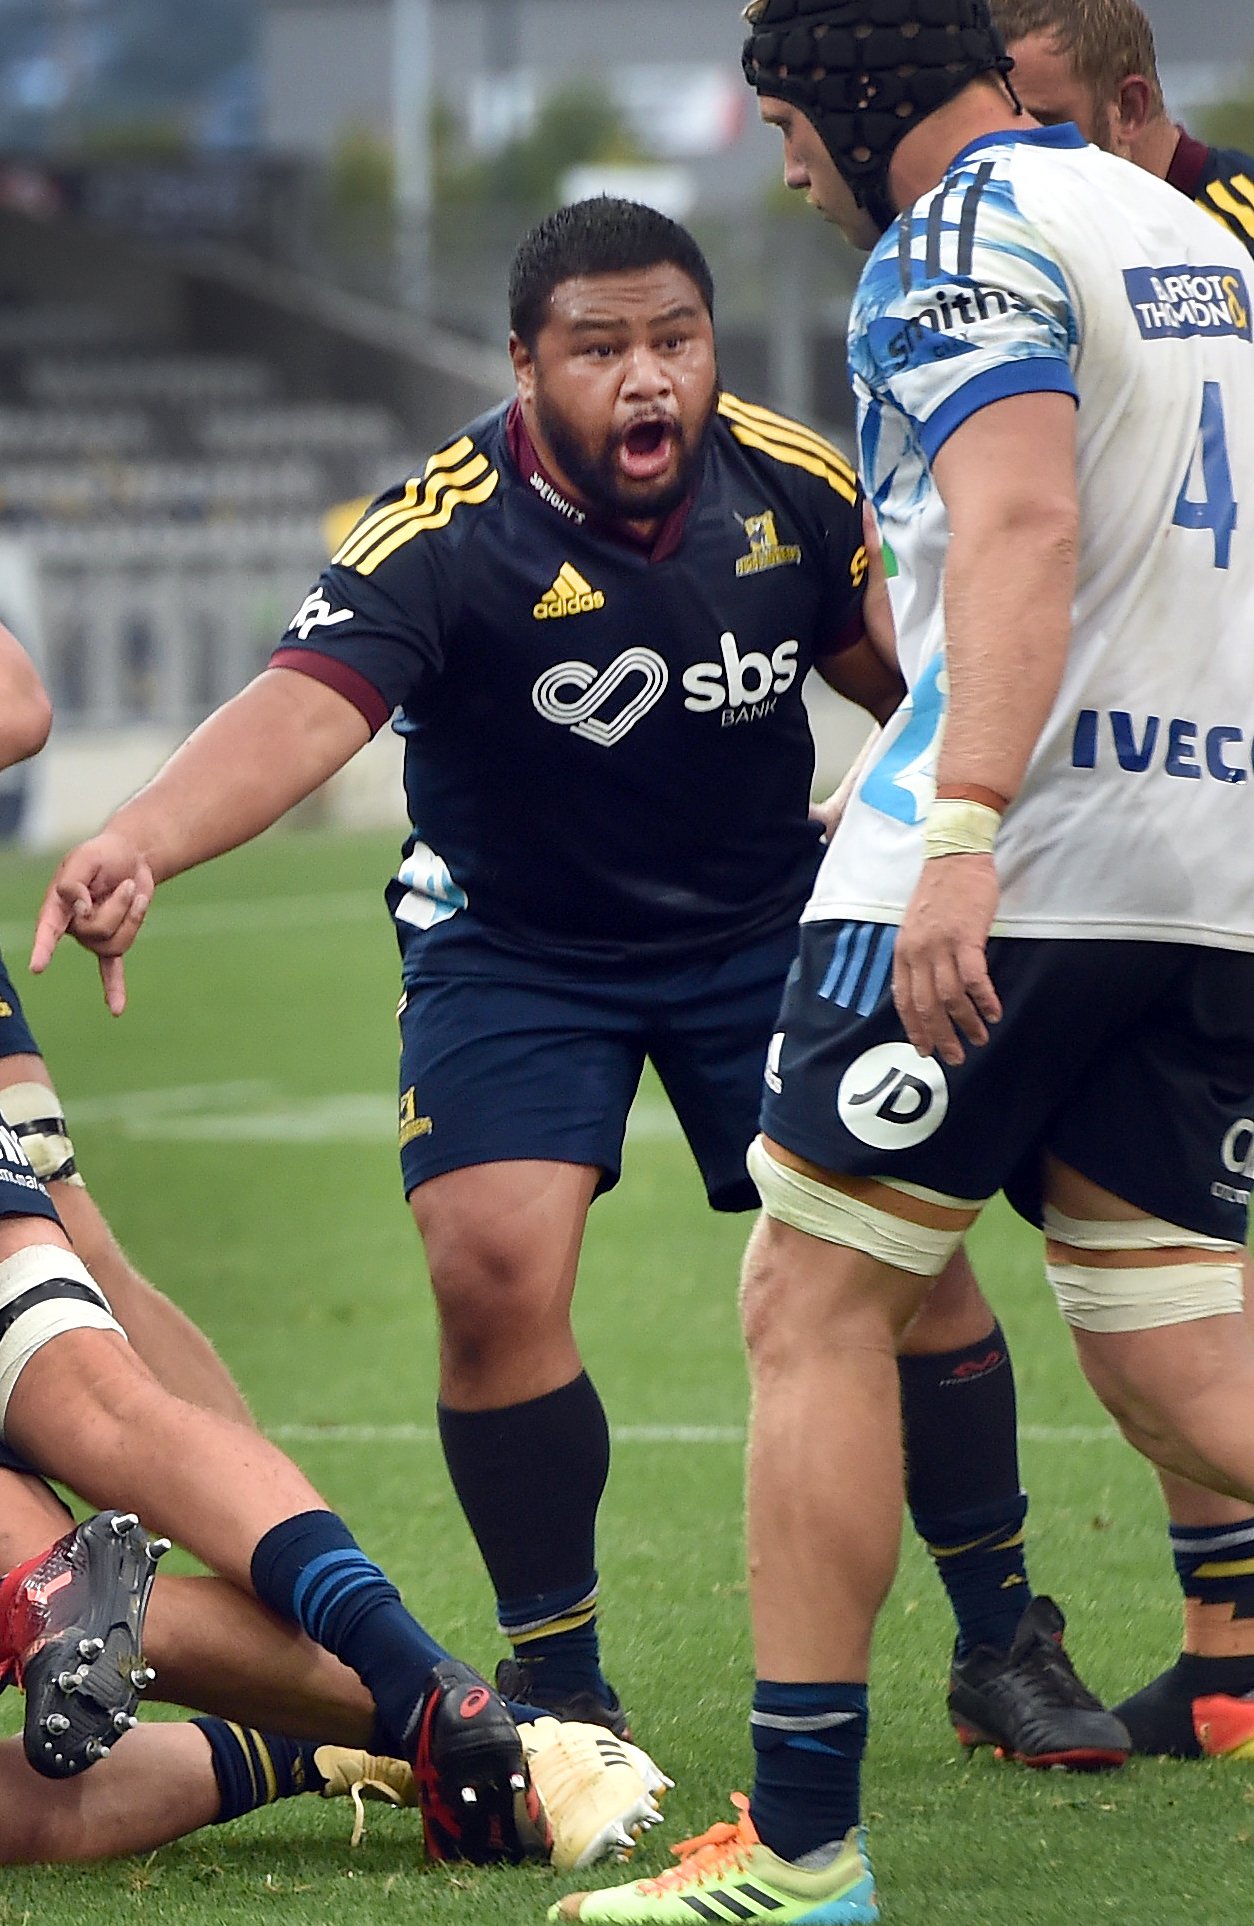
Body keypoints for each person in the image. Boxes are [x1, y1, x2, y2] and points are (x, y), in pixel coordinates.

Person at [28, 196, 1118, 1772]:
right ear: (526, 365)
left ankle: (1002, 1636)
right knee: (489, 1265)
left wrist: (942, 811)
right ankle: (559, 1677)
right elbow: (304, 706)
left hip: (761, 929)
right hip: (513, 943)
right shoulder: (440, 526)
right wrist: (140, 836)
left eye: (673, 339)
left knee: (902, 1258)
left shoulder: (793, 486)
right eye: (600, 349)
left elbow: (937, 671)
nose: (648, 379)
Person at [548, 0, 1254, 1918]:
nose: (782, 167)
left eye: (785, 122)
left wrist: (958, 830)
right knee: (1184, 1358)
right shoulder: (1178, 223)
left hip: (1005, 856)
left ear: (856, 103)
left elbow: (1019, 525)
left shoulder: (950, 239)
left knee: (812, 1301)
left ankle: (798, 1854)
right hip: (1197, 865)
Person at [989, 0, 1254, 1765]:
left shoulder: (1193, 246)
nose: (1010, 166)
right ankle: (1226, 1661)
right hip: (1160, 812)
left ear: (1138, 107)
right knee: (1176, 1241)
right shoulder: (1077, 239)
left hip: (1204, 807)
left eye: (1045, 122)